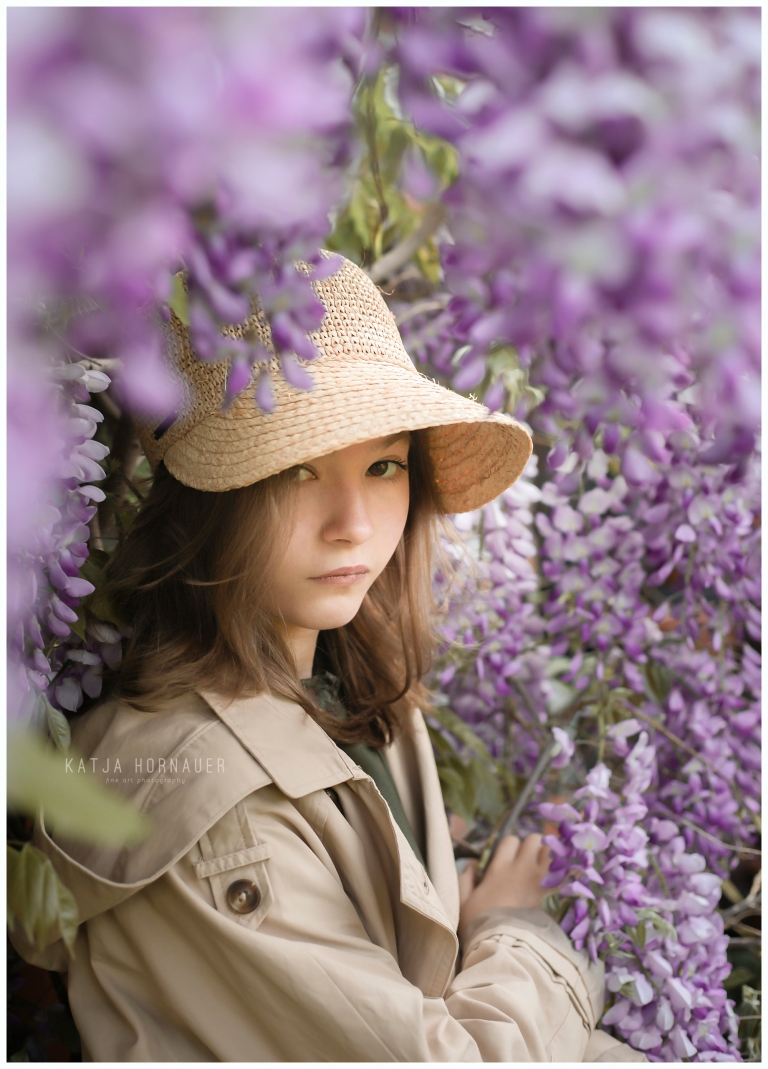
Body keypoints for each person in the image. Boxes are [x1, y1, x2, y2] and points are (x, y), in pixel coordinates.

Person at [11, 254, 643, 1062]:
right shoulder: (217, 808)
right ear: (206, 502)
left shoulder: (358, 696)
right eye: (298, 470)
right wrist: (516, 930)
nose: (354, 524)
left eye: (384, 465)